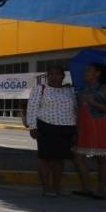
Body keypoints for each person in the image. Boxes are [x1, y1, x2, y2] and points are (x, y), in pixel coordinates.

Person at [26, 66, 77, 197]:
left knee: (59, 160)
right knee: (45, 159)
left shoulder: (70, 90)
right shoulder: (40, 89)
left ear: (62, 76)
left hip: (66, 127)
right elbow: (32, 107)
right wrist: (32, 126)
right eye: (51, 74)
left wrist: (76, 129)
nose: (54, 77)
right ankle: (46, 187)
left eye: (57, 74)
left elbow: (75, 110)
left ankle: (57, 186)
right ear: (47, 76)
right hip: (46, 126)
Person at [72, 63, 106, 200]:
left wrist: (93, 102)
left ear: (97, 73)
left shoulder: (105, 89)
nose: (85, 73)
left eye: (89, 70)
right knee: (78, 157)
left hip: (101, 126)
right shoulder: (82, 90)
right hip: (85, 127)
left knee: (102, 159)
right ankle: (86, 188)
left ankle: (101, 190)